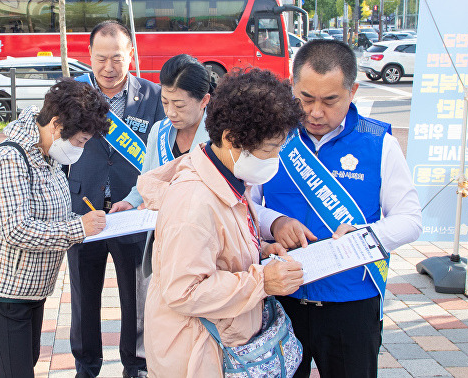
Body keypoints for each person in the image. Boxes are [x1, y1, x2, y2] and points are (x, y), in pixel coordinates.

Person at [252, 39, 422, 378]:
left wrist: (365, 235)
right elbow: (243, 206)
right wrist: (275, 222)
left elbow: (411, 219)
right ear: (292, 86)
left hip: (352, 303)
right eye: (306, 99)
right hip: (282, 297)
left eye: (330, 100)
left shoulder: (379, 143)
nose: (316, 112)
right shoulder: (273, 138)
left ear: (353, 90)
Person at [137, 68, 305, 378]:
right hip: (196, 355)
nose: (274, 159)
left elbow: (217, 249)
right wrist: (263, 281)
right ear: (230, 139)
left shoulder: (228, 176)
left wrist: (262, 250)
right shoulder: (194, 201)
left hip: (218, 343)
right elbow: (184, 290)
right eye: (269, 149)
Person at [0, 79, 110, 378]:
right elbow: (17, 229)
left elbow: (50, 209)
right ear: (56, 125)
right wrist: (78, 228)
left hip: (32, 288)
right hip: (4, 288)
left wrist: (89, 222)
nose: (81, 149)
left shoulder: (49, 153)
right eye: (81, 141)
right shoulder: (10, 158)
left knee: (25, 362)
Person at [67, 20, 165, 378]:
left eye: (117, 59)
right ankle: (86, 364)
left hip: (132, 211)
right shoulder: (72, 93)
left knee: (138, 296)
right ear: (89, 57)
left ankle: (135, 364)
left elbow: (161, 156)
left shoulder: (154, 97)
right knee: (84, 296)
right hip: (83, 208)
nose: (108, 68)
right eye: (100, 58)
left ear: (131, 56)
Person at [110, 53, 213, 277]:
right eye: (165, 102)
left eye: (179, 105)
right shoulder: (160, 130)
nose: (170, 112)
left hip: (204, 245)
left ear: (204, 101)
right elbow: (148, 179)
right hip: (164, 242)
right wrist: (130, 201)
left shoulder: (220, 137)